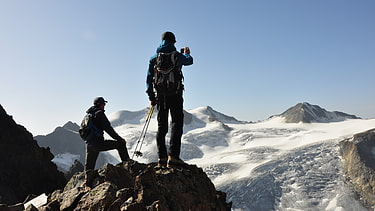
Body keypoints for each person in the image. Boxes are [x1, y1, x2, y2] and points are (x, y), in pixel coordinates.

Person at [146, 31, 193, 167]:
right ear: (173, 42)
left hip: (160, 96)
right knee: (176, 124)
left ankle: (161, 158)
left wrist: (151, 97)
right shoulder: (177, 56)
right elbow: (189, 61)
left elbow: (149, 79)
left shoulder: (154, 58)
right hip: (176, 95)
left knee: (162, 127)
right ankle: (173, 157)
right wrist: (187, 53)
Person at [84, 97, 130, 171]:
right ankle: (127, 166)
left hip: (89, 144)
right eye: (103, 104)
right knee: (121, 145)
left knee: (89, 169)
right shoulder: (100, 114)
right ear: (100, 104)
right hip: (98, 143)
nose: (104, 105)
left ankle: (86, 181)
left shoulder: (88, 115)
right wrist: (120, 139)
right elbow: (109, 129)